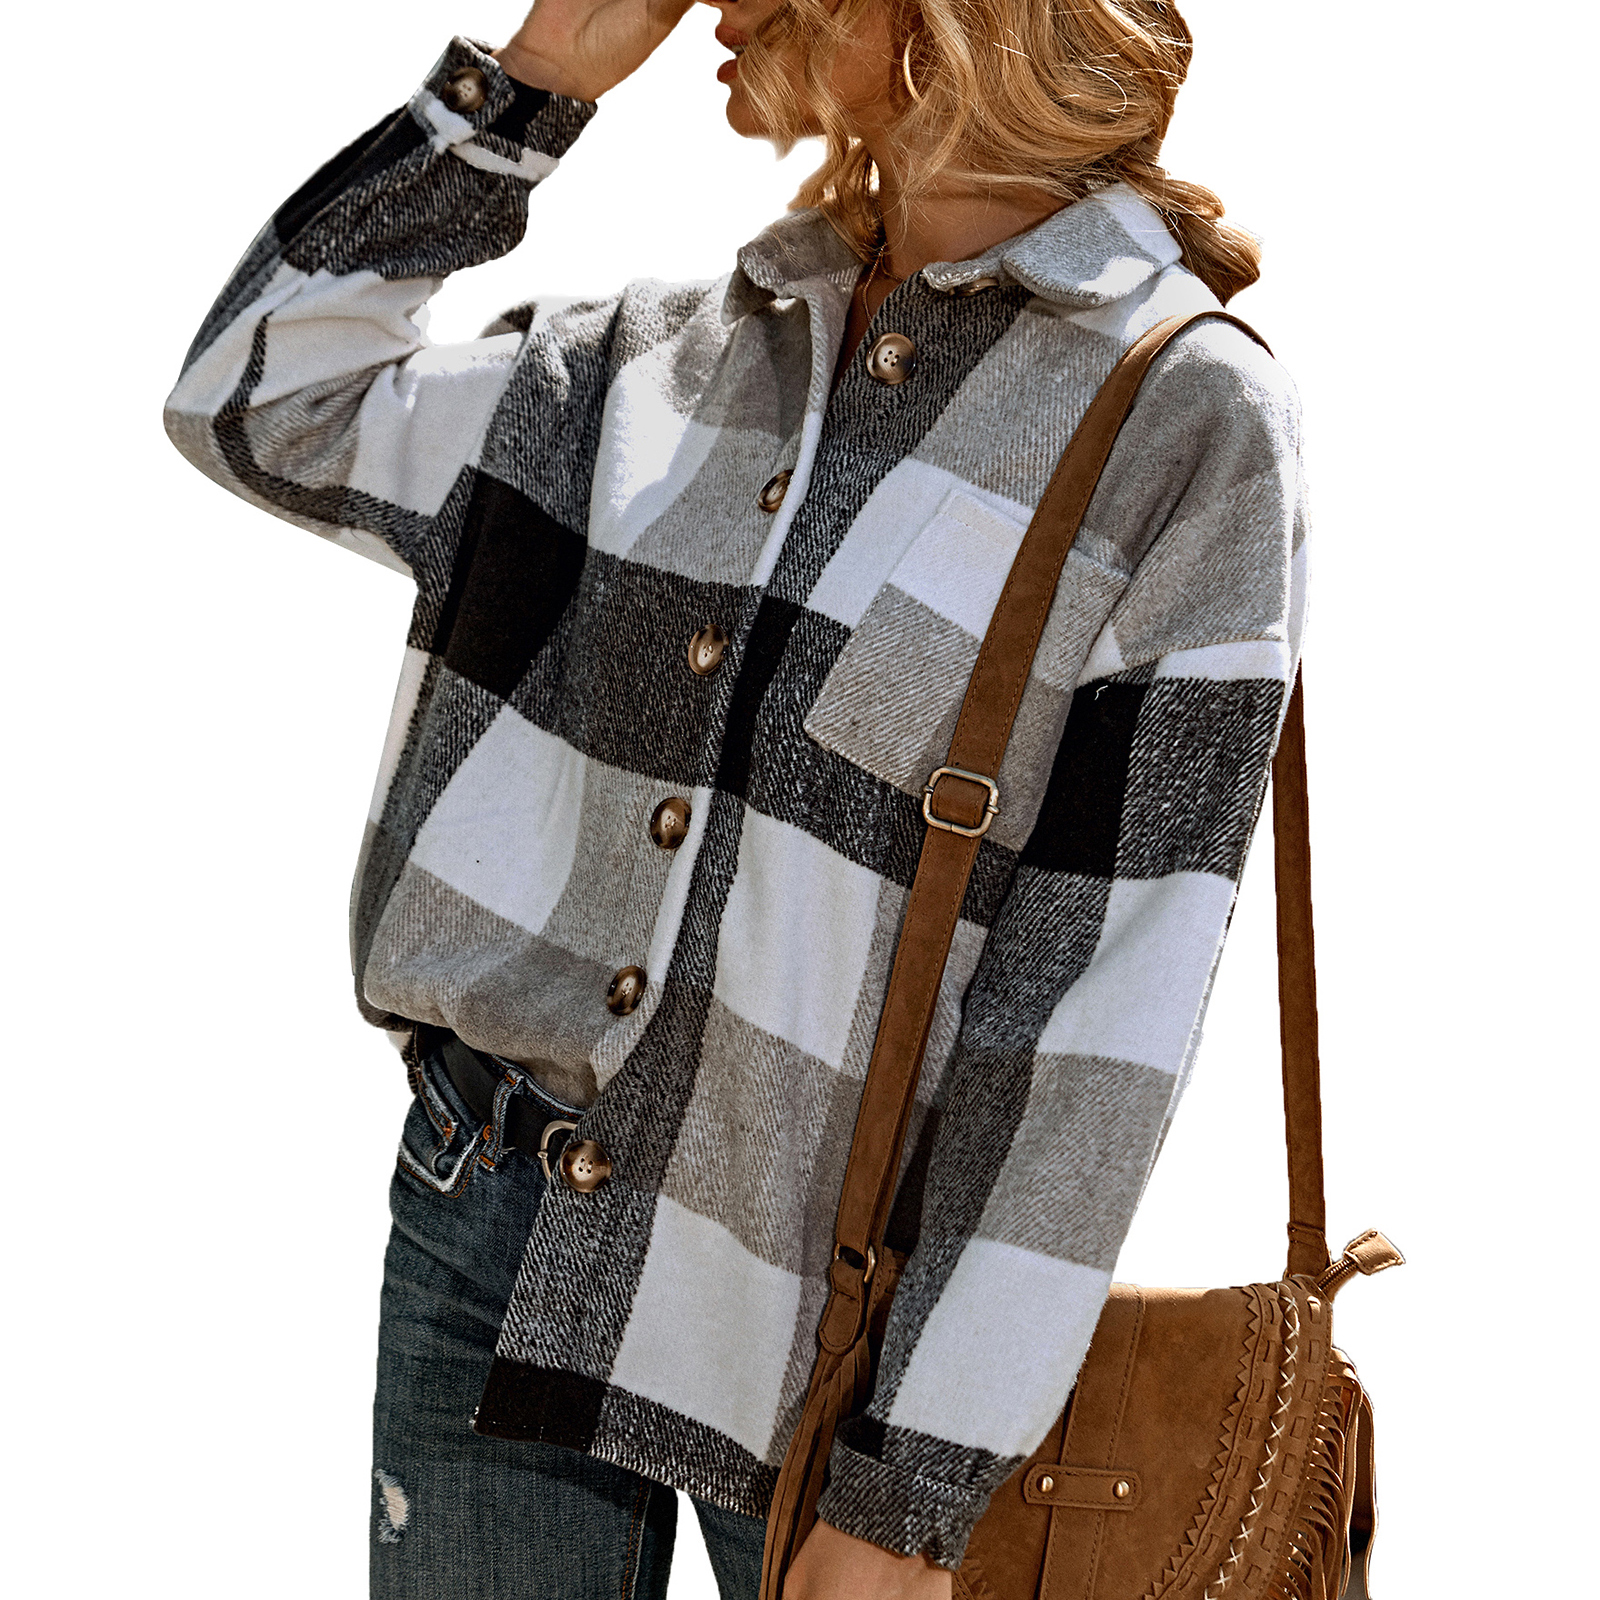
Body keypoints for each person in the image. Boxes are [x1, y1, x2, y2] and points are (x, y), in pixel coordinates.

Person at [164, 0, 1305, 1596]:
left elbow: (1102, 1016)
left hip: (838, 1330)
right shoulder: (646, 363)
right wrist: (535, 83)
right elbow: (253, 395)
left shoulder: (1179, 416)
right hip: (487, 1216)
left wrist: (912, 1490)